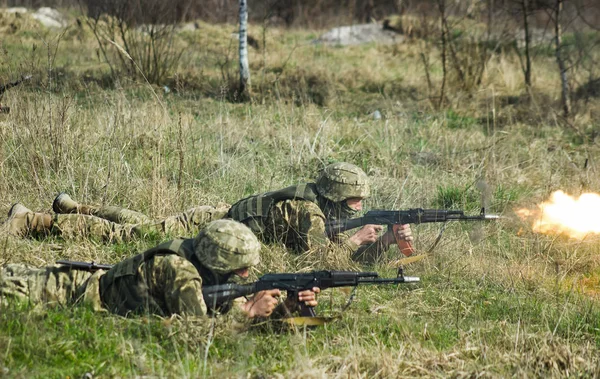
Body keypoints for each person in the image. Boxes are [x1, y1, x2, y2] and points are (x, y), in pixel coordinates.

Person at [4, 162, 413, 263]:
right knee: (132, 237)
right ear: (337, 197)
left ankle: (74, 207)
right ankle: (29, 221)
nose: (361, 208)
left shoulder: (320, 207)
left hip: (225, 218)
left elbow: (344, 260)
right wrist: (358, 241)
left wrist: (387, 243)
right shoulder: (310, 215)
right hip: (212, 223)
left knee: (137, 223)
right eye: (356, 202)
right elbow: (317, 262)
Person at [0, 219, 319, 320]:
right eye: (242, 270)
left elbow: (221, 309)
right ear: (220, 265)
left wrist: (284, 310)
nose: (248, 276)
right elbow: (196, 332)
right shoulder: (180, 271)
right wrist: (250, 311)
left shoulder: (203, 263)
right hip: (63, 293)